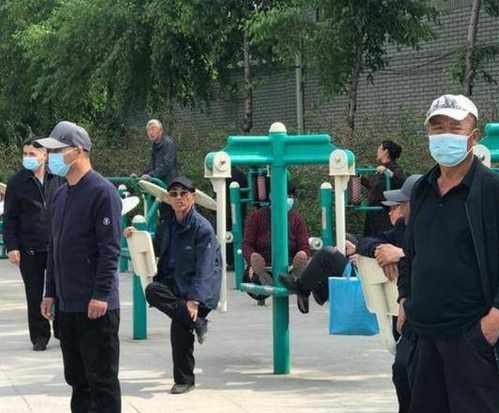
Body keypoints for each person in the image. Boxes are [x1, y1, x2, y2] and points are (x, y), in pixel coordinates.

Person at [399, 95, 499, 413]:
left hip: (473, 338)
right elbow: (411, 252)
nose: (445, 135)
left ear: (473, 137)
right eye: (437, 128)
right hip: (423, 335)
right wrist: (404, 298)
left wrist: (492, 322)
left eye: (455, 127)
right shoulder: (421, 190)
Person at [38, 121, 122, 412]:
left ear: (78, 151)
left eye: (56, 151)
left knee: (102, 381)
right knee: (77, 380)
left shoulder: (102, 192)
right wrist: (50, 291)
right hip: (67, 305)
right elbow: (54, 247)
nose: (50, 158)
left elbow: (110, 249)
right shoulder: (60, 195)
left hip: (95, 307)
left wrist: (100, 294)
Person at [125, 176, 222, 395]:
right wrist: (134, 236)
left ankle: (184, 380)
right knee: (152, 291)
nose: (179, 198)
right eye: (174, 194)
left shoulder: (203, 229)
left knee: (180, 328)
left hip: (200, 290)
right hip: (175, 286)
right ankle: (196, 322)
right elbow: (154, 247)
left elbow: (206, 268)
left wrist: (194, 300)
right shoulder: (167, 225)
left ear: (193, 197)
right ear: (169, 198)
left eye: (184, 193)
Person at [357, 175, 421, 413]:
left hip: (441, 315)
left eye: (401, 204)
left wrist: (401, 254)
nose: (397, 211)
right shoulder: (403, 229)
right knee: (402, 369)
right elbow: (365, 242)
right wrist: (382, 250)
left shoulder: (442, 230)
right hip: (412, 315)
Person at [3, 138, 64, 351]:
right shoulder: (17, 182)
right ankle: (39, 336)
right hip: (29, 247)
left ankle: (62, 330)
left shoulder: (58, 178)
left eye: (32, 154)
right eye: (25, 154)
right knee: (34, 293)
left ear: (44, 156)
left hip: (56, 245)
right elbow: (9, 217)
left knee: (60, 290)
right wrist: (12, 246)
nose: (27, 158)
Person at [242, 185, 309, 306]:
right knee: (255, 274)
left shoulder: (296, 219)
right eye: (285, 195)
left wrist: (302, 255)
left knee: (303, 262)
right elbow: (247, 244)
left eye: (290, 196)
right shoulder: (256, 217)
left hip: (289, 266)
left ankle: (294, 276)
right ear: (271, 196)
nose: (288, 199)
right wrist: (251, 259)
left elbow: (304, 245)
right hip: (264, 264)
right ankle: (263, 278)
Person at [361, 140, 406, 237]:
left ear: (385, 151)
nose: (377, 151)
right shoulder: (379, 169)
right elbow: (371, 185)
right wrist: (358, 177)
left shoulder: (394, 169)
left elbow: (402, 181)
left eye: (379, 148)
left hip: (384, 214)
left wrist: (387, 172)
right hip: (372, 212)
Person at [141, 119, 178, 185]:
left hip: (168, 184)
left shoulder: (168, 143)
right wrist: (140, 175)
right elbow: (152, 165)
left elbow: (166, 165)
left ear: (160, 131)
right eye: (148, 130)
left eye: (153, 129)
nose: (150, 132)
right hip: (158, 181)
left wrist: (150, 175)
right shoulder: (155, 145)